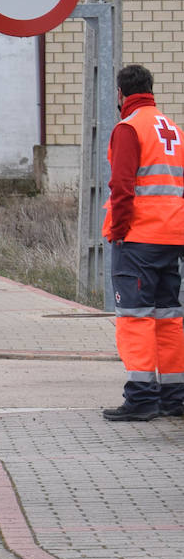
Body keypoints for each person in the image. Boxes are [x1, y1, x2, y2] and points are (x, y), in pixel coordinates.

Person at [95, 65, 184, 421]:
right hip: (172, 236)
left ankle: (142, 397)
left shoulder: (129, 128)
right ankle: (174, 396)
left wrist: (117, 230)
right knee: (169, 318)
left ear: (121, 94)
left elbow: (122, 186)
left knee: (135, 317)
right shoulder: (173, 130)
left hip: (139, 237)